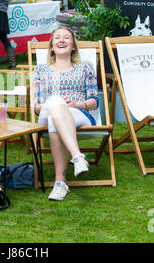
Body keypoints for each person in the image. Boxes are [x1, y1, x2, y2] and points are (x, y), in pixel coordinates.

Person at [32, 26, 99, 201]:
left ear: (73, 46)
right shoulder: (41, 70)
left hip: (78, 113)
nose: (62, 40)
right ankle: (77, 156)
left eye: (67, 38)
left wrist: (78, 104)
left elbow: (94, 102)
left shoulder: (86, 67)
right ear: (52, 47)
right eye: (57, 38)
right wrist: (55, 103)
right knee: (55, 102)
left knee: (57, 115)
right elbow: (37, 107)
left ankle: (60, 183)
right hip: (45, 114)